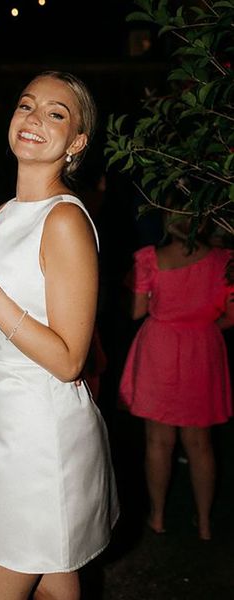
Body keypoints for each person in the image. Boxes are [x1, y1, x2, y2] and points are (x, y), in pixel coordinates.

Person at [0, 71, 119, 600]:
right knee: (55, 580)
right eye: (27, 106)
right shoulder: (6, 212)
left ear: (77, 142)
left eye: (56, 113)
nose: (33, 119)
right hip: (9, 423)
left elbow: (70, 359)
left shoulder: (64, 221)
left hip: (40, 436)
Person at [119, 211, 234, 541]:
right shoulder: (225, 260)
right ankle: (205, 522)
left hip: (161, 349)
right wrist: (199, 325)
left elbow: (137, 311)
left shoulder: (150, 259)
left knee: (158, 441)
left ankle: (157, 516)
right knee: (200, 444)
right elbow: (231, 315)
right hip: (203, 349)